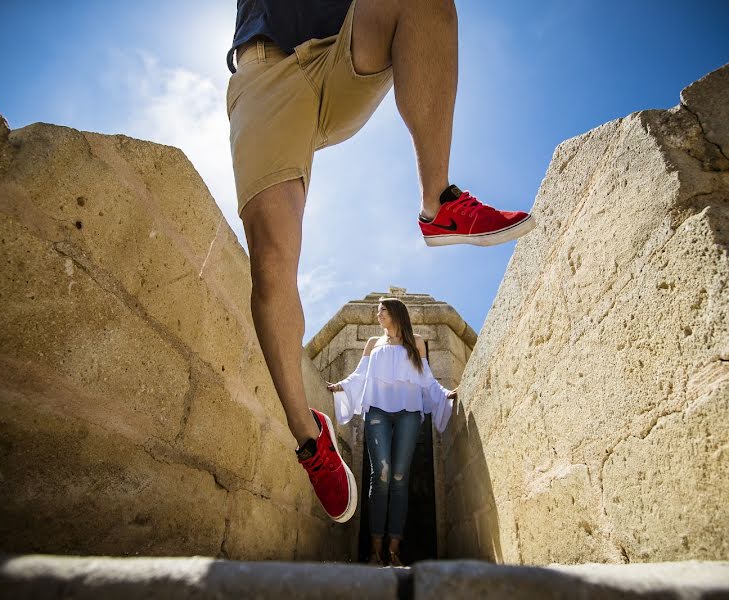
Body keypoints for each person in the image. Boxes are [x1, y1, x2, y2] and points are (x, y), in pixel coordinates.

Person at [226, 0, 534, 525]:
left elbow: (425, 383)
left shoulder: (407, 346)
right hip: (266, 70)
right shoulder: (378, 345)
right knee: (272, 262)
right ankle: (310, 440)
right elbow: (364, 377)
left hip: (340, 51)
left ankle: (439, 203)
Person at [327, 298, 456, 566]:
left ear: (396, 313)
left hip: (409, 411)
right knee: (381, 475)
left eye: (382, 310)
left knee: (399, 476)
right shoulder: (374, 343)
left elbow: (428, 380)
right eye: (377, 311)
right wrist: (340, 387)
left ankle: (394, 549)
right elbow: (359, 375)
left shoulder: (416, 342)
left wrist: (445, 394)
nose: (378, 315)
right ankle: (375, 549)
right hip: (377, 411)